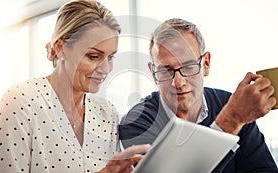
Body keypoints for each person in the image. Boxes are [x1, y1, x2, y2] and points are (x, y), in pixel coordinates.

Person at [0, 0, 149, 172]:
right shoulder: (20, 102)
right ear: (61, 48)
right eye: (94, 56)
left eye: (110, 57)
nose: (106, 69)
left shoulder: (107, 113)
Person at [119, 18, 278, 172]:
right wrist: (232, 119)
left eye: (188, 67)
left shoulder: (233, 104)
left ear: (206, 64)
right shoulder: (136, 122)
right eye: (165, 70)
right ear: (153, 73)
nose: (179, 83)